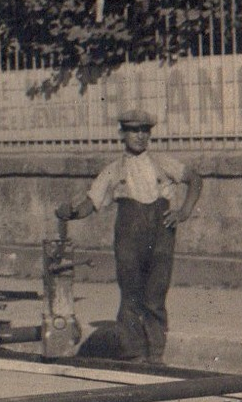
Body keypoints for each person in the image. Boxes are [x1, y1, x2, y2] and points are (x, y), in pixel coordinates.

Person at [56, 109, 202, 363]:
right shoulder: (113, 170)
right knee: (131, 293)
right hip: (128, 234)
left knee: (156, 293)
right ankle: (133, 353)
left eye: (145, 131)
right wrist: (71, 213)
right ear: (122, 134)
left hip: (161, 234)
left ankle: (155, 354)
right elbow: (92, 201)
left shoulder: (163, 163)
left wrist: (184, 211)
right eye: (134, 131)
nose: (140, 136)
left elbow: (194, 179)